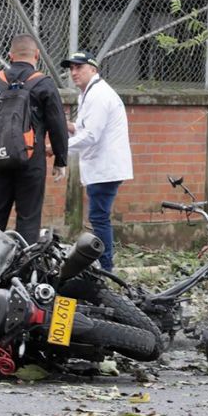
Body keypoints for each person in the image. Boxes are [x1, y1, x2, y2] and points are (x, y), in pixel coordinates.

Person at [0, 34, 68, 244]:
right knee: (28, 217)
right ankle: (24, 271)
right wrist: (60, 160)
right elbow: (58, 124)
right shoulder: (43, 83)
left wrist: (1, 139)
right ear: (37, 55)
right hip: (31, 159)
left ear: (10, 56)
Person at [60, 50, 133, 272]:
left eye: (79, 67)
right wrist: (64, 125)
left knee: (99, 218)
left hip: (105, 168)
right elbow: (84, 128)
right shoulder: (88, 94)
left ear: (93, 69)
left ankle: (106, 268)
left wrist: (58, 148)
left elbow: (91, 136)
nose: (74, 72)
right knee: (98, 217)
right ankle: (102, 265)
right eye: (71, 68)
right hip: (100, 167)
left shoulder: (99, 95)